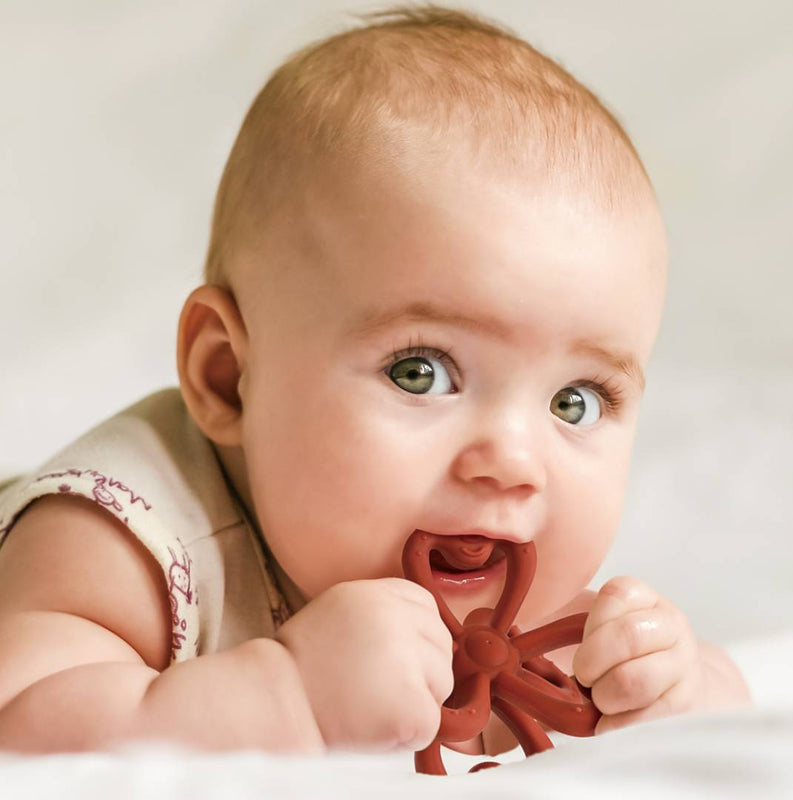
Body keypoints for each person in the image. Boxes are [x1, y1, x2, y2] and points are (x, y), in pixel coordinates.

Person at [0, 5, 750, 756]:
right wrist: (288, 691)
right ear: (229, 378)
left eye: (573, 402)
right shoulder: (119, 543)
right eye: (420, 373)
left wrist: (675, 692)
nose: (514, 462)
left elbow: (737, 703)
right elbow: (21, 725)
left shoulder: (508, 602)